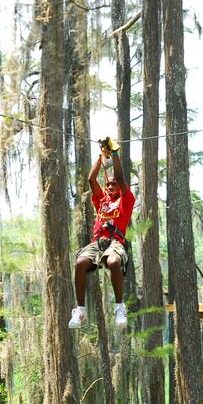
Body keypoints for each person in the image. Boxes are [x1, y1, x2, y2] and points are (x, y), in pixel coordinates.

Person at [69, 137, 136, 329]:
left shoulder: (126, 200)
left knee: (113, 261)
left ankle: (119, 307)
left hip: (116, 241)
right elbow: (91, 179)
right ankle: (80, 310)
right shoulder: (102, 201)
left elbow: (121, 178)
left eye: (114, 184)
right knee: (80, 263)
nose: (111, 186)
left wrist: (114, 153)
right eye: (109, 184)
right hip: (98, 242)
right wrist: (101, 157)